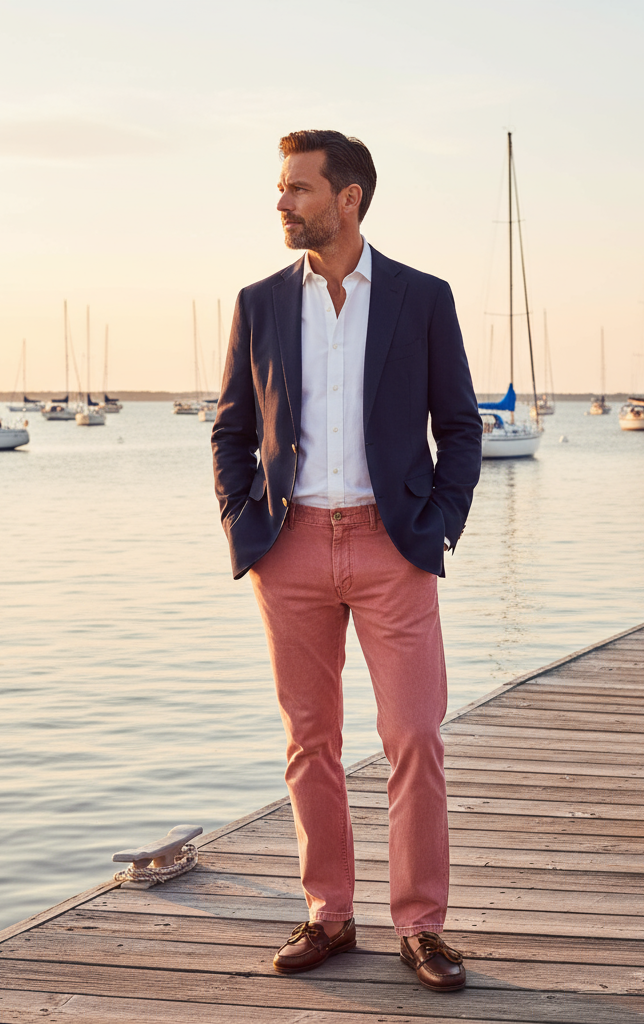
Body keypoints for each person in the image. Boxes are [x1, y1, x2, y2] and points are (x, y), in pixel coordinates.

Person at [211, 129, 482, 992]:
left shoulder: (421, 298)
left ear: (348, 198)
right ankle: (329, 914)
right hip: (287, 549)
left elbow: (462, 428)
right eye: (281, 188)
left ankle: (422, 928)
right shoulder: (259, 303)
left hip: (391, 544)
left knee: (414, 736)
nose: (282, 202)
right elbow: (232, 431)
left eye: (297, 188)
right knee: (309, 740)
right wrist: (242, 526)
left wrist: (436, 526)